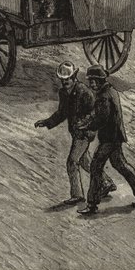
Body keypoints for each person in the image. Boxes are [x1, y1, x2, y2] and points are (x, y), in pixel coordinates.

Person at [34, 61, 114, 203]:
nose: (65, 82)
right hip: (76, 132)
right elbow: (61, 113)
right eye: (63, 80)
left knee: (72, 161)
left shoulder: (84, 91)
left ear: (74, 77)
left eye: (67, 79)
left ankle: (77, 195)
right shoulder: (63, 93)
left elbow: (94, 112)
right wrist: (46, 122)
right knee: (85, 161)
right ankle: (107, 182)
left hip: (84, 133)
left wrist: (86, 126)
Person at [78, 65, 135, 215]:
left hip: (109, 138)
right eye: (90, 81)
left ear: (99, 81)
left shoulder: (103, 96)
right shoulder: (110, 91)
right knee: (121, 165)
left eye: (92, 81)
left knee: (95, 167)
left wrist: (86, 126)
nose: (90, 84)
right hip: (115, 136)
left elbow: (102, 119)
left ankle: (92, 204)